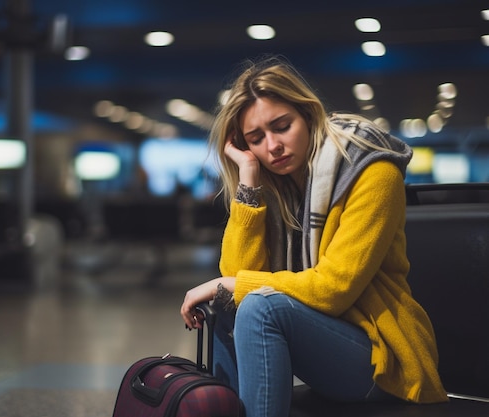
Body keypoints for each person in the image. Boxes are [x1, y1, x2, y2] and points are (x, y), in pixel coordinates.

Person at [180, 57, 448, 417]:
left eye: (282, 126)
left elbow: (334, 289)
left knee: (260, 305)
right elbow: (238, 272)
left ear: (307, 113)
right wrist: (248, 181)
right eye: (256, 138)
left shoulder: (369, 170)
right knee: (230, 306)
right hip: (323, 342)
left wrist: (229, 284)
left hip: (382, 356)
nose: (272, 146)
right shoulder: (275, 186)